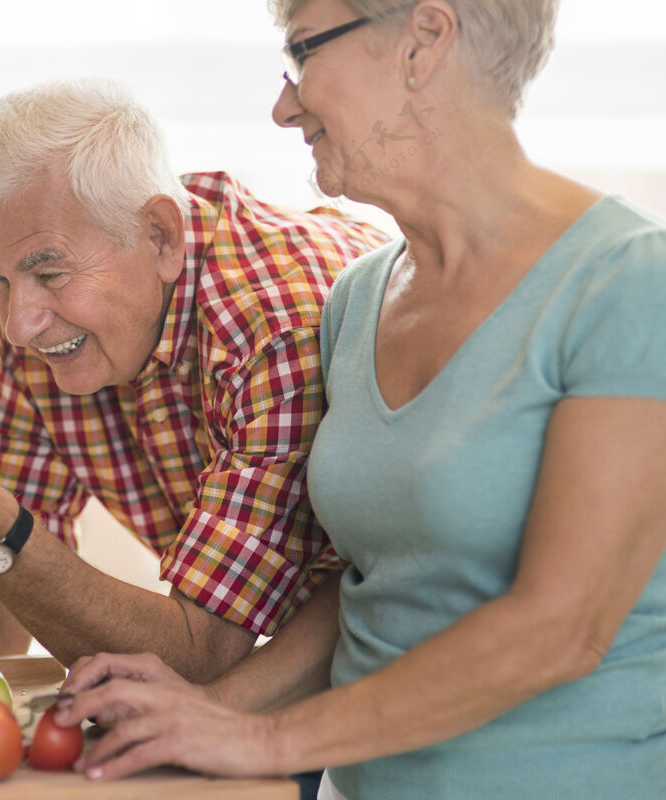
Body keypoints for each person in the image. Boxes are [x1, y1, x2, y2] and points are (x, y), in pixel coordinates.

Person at [54, 1, 666, 798]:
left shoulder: (628, 283)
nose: (283, 103)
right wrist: (204, 709)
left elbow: (562, 628)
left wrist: (264, 737)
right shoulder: (359, 297)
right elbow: (371, 586)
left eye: (302, 51)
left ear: (425, 40)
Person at [0, 78, 387, 685]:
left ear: (161, 236)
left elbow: (201, 655)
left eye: (50, 274)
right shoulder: (43, 331)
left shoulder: (273, 331)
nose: (18, 327)